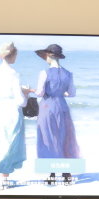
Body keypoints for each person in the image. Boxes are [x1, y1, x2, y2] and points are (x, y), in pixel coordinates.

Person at [0, 42, 32, 189]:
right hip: (12, 111)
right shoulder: (14, 74)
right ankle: (4, 179)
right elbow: (21, 102)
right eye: (16, 55)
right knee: (10, 145)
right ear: (13, 55)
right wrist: (26, 93)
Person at [33, 44, 80, 184]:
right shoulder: (68, 74)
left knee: (48, 139)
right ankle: (66, 175)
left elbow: (40, 93)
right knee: (64, 139)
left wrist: (29, 90)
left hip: (47, 107)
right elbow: (72, 93)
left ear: (49, 55)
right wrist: (60, 93)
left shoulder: (44, 73)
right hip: (62, 107)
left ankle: (52, 175)